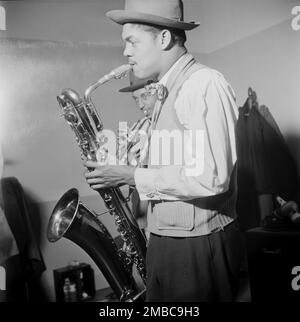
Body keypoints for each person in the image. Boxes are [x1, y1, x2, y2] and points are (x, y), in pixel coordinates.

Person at [85, 0, 244, 302]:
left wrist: (132, 176)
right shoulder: (166, 91)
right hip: (168, 243)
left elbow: (210, 177)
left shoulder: (202, 84)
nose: (125, 52)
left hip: (196, 247)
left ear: (164, 38)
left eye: (131, 41)